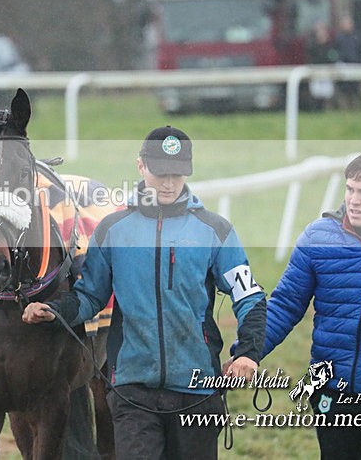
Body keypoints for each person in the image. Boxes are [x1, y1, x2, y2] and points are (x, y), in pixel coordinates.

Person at [22, 126, 267, 460]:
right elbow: (89, 296)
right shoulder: (112, 229)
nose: (168, 182)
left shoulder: (215, 230)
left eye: (177, 174)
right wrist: (54, 311)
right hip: (132, 392)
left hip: (198, 391)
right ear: (141, 166)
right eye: (159, 172)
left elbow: (249, 296)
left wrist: (249, 352)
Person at [256, 150, 361, 459]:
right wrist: (246, 353)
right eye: (350, 189)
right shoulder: (317, 238)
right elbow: (285, 304)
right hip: (332, 389)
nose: (354, 199)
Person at [334, 14, 361, 109]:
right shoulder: (339, 37)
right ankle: (344, 107)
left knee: (355, 88)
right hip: (343, 66)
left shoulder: (358, 37)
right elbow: (335, 51)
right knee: (344, 88)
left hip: (355, 66)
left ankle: (355, 107)